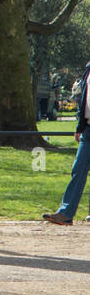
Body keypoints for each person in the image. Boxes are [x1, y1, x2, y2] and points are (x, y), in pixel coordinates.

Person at [43, 57, 90, 225]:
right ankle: (66, 213)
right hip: (88, 129)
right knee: (78, 169)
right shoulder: (89, 68)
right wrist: (80, 127)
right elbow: (84, 99)